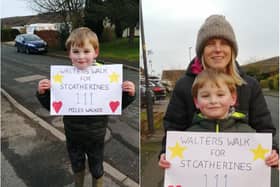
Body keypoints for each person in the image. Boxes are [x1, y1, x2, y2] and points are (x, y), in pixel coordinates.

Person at [158, 15, 279, 169]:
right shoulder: (184, 85)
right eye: (210, 44)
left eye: (224, 43)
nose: (218, 49)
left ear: (232, 49)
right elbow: (173, 128)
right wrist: (165, 153)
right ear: (201, 50)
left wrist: (273, 151)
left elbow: (265, 127)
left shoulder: (250, 85)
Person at [36, 27, 136, 187]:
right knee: (77, 163)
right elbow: (53, 106)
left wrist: (129, 94)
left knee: (97, 165)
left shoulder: (105, 77)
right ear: (69, 53)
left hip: (96, 135)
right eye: (76, 51)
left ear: (95, 52)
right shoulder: (63, 78)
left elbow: (116, 104)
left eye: (86, 51)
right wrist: (43, 93)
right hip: (73, 133)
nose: (81, 56)